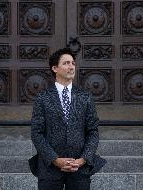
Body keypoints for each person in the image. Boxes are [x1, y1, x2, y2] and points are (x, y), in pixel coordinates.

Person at [29, 47, 106, 190]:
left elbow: (93, 131)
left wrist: (83, 159)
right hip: (49, 168)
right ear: (54, 68)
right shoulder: (42, 97)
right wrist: (55, 160)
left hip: (79, 169)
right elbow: (36, 133)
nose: (71, 67)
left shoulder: (85, 97)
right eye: (66, 63)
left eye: (73, 63)